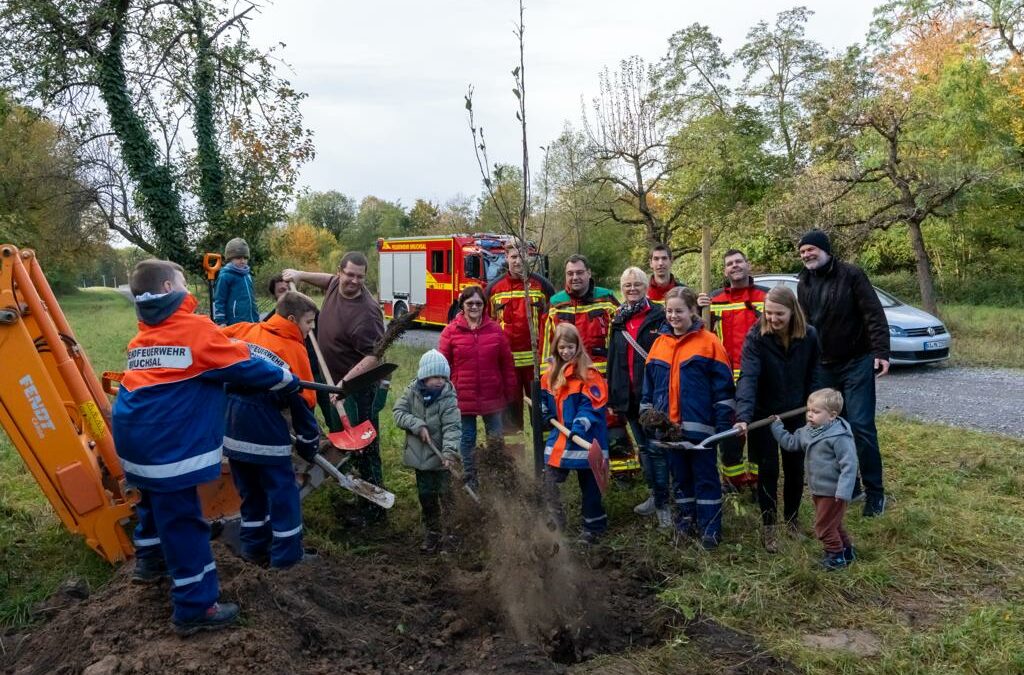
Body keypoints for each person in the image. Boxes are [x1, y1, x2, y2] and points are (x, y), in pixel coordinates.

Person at [113, 259, 302, 636]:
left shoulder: (145, 332)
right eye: (183, 282)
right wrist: (285, 378)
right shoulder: (192, 328)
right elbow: (244, 364)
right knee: (184, 521)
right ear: (168, 288)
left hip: (131, 434)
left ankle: (149, 563)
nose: (189, 292)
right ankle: (195, 606)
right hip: (165, 440)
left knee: (150, 503)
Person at [282, 252, 387, 526]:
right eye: (349, 274)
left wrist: (344, 383)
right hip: (330, 383)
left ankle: (374, 509)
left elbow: (375, 356)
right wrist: (300, 275)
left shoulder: (368, 312)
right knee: (341, 437)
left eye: (360, 277)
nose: (353, 281)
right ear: (340, 271)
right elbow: (326, 280)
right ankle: (354, 486)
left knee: (365, 444)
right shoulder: (334, 284)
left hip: (356, 388)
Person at [220, 291, 321, 568]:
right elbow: (303, 401)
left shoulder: (246, 330)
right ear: (291, 319)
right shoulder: (293, 350)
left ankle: (254, 549)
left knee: (251, 493)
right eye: (309, 322)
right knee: (283, 493)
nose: (311, 329)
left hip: (232, 429)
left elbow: (212, 339)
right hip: (264, 429)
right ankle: (287, 558)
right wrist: (308, 440)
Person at [796, 230, 890, 517]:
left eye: (810, 249)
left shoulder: (851, 275)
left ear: (825, 249)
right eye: (802, 252)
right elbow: (805, 325)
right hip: (824, 366)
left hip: (857, 361)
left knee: (860, 425)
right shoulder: (804, 282)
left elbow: (873, 313)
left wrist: (881, 352)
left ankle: (876, 493)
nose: (806, 255)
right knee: (833, 427)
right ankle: (852, 487)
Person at [640, 287, 735, 550]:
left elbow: (724, 390)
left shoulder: (709, 343)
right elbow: (648, 386)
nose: (673, 316)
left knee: (705, 479)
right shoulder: (659, 343)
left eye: (679, 311)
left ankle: (710, 531)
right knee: (680, 480)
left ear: (693, 311)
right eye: (669, 311)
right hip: (669, 430)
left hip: (702, 429)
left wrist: (723, 425)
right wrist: (646, 414)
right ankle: (686, 524)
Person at [733, 286, 819, 552]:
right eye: (768, 313)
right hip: (764, 414)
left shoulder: (810, 336)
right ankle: (769, 528)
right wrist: (744, 416)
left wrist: (814, 406)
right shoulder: (756, 337)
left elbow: (815, 373)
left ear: (793, 311)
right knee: (768, 469)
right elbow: (749, 377)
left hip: (796, 412)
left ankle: (792, 523)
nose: (772, 318)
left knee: (795, 469)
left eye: (779, 313)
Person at [697, 249, 767, 492]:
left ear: (748, 265)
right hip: (724, 380)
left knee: (759, 431)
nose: (735, 266)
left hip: (759, 378)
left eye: (739, 261)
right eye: (730, 264)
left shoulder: (764, 297)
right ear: (725, 270)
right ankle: (733, 482)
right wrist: (698, 309)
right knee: (729, 434)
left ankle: (760, 482)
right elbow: (699, 332)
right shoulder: (713, 300)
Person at [606, 267, 669, 526]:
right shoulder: (618, 318)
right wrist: (613, 395)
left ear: (646, 286)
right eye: (627, 285)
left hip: (653, 395)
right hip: (629, 395)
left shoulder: (658, 316)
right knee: (643, 447)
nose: (632, 289)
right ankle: (656, 494)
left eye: (637, 284)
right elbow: (612, 359)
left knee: (658, 448)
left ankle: (666, 502)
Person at [438, 285, 517, 488]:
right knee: (467, 440)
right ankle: (471, 481)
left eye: (478, 303)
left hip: (493, 396)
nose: (474, 306)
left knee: (496, 439)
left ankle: (497, 479)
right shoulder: (450, 332)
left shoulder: (496, 330)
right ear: (462, 306)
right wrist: (444, 395)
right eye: (470, 303)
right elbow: (442, 366)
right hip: (463, 397)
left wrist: (510, 393)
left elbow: (507, 365)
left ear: (484, 306)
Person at [771, 388, 858, 570]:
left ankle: (835, 556)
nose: (810, 415)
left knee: (824, 526)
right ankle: (847, 551)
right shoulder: (808, 431)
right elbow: (791, 443)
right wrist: (777, 427)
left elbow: (849, 465)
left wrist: (843, 491)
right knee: (833, 523)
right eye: (808, 410)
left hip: (834, 491)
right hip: (818, 488)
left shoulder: (839, 437)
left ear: (832, 415)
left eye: (816, 412)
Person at [540, 323, 610, 545]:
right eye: (562, 348)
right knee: (548, 479)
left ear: (578, 347)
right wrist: (543, 412)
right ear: (555, 348)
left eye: (570, 347)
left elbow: (591, 406)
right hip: (561, 437)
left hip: (586, 439)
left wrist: (578, 429)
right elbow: (544, 399)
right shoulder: (549, 375)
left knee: (590, 486)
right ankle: (555, 520)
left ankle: (594, 527)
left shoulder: (589, 375)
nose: (566, 352)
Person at [392, 350, 462, 553]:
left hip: (441, 460)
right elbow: (398, 413)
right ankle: (432, 532)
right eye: (435, 377)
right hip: (420, 458)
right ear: (424, 376)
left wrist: (449, 453)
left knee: (446, 495)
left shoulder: (448, 399)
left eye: (443, 377)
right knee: (426, 496)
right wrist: (416, 425)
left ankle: (451, 534)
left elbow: (452, 428)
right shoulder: (412, 392)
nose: (440, 381)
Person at [485, 243, 555, 442]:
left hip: (537, 368)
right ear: (506, 257)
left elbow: (553, 324)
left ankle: (546, 463)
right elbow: (487, 326)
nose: (517, 261)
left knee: (543, 416)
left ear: (529, 257)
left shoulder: (543, 286)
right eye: (513, 256)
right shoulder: (494, 289)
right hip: (507, 368)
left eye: (522, 256)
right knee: (510, 420)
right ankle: (515, 465)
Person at [541, 255, 619, 376]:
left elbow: (619, 342)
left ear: (589, 273)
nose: (575, 277)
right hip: (566, 378)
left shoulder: (606, 300)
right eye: (570, 273)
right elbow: (545, 346)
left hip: (601, 377)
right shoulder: (555, 304)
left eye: (580, 272)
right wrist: (546, 377)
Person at [213, 237, 259, 326]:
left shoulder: (247, 275)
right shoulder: (226, 276)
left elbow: (252, 300)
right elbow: (219, 300)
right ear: (230, 258)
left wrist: (256, 318)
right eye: (238, 258)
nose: (242, 261)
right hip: (235, 323)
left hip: (252, 321)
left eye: (245, 258)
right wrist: (221, 321)